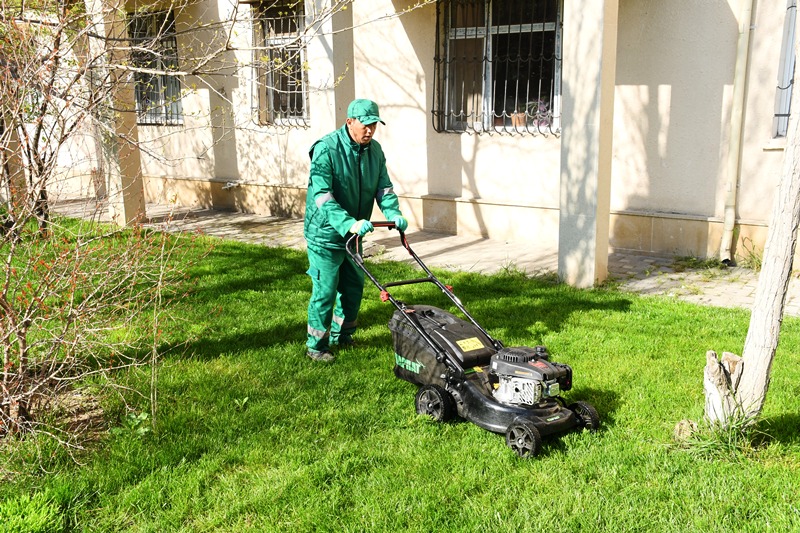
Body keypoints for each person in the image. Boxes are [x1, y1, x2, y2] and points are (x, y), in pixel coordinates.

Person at [303, 99, 408, 362]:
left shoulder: (375, 151)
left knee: (353, 287)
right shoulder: (326, 149)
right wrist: (348, 222)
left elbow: (383, 188)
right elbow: (322, 195)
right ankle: (316, 346)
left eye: (374, 124)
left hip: (353, 234)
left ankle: (343, 336)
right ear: (349, 121)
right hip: (325, 234)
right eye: (365, 124)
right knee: (326, 290)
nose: (370, 130)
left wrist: (393, 213)